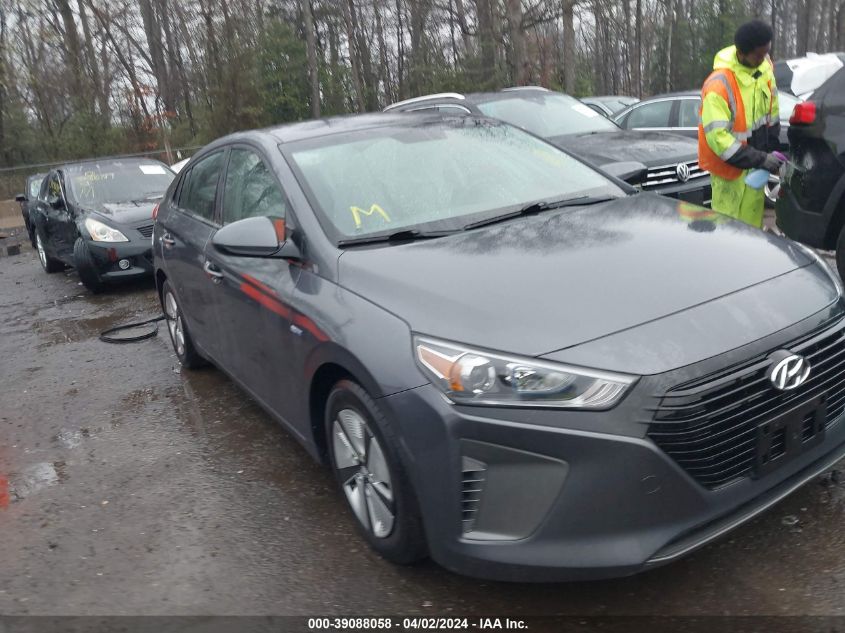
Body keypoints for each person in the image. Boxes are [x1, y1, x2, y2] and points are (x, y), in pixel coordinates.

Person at [698, 20, 783, 228]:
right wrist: (762, 158)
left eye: (767, 52)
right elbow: (720, 140)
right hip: (729, 177)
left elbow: (772, 117)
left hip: (754, 174)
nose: (764, 58)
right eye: (759, 55)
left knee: (752, 232)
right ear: (742, 52)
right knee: (727, 234)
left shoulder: (765, 74)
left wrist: (773, 152)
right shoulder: (718, 85)